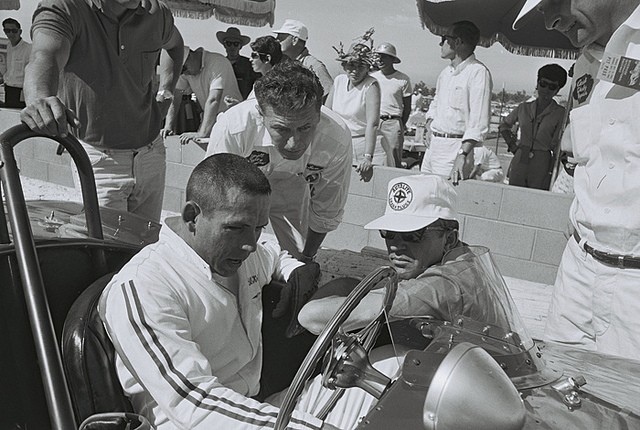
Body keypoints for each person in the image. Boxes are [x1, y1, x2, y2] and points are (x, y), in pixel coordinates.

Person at [99, 153, 402, 430]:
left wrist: (296, 269)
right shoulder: (145, 286)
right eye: (237, 228)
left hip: (254, 409)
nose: (250, 243)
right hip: (198, 422)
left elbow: (272, 251)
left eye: (258, 227)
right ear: (192, 217)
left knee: (394, 364)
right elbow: (195, 404)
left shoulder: (242, 254)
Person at [513, 0, 640, 360]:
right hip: (579, 271)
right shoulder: (586, 63)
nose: (551, 22)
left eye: (552, 3)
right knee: (559, 399)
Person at [20, 0, 184, 223]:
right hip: (99, 160)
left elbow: (175, 45)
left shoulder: (156, 12)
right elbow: (44, 55)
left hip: (151, 152)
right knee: (106, 251)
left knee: (146, 248)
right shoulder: (67, 7)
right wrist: (40, 97)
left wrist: (166, 91)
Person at [299, 174, 508, 338]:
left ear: (449, 239)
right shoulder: (465, 258)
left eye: (412, 235)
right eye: (388, 233)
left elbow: (310, 317)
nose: (396, 246)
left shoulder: (443, 286)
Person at [206, 61, 352, 262]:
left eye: (305, 128)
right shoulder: (233, 126)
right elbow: (214, 197)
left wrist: (307, 258)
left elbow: (327, 208)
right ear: (261, 114)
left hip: (296, 191)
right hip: (240, 191)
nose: (294, 144)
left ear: (319, 114)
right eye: (282, 129)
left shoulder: (337, 137)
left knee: (297, 264)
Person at [419, 21, 492, 185]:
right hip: (433, 147)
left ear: (457, 42)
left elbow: (478, 121)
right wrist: (429, 124)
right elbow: (436, 103)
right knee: (423, 195)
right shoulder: (446, 73)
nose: (441, 43)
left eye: (444, 38)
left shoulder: (478, 73)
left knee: (444, 200)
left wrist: (462, 155)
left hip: (454, 150)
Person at [326, 36, 387, 182]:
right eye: (351, 65)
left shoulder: (371, 85)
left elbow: (372, 124)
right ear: (344, 65)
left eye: (361, 66)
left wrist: (368, 157)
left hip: (365, 147)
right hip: (340, 145)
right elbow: (327, 113)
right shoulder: (339, 81)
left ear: (368, 68)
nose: (355, 70)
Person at [499, 64, 567, 190]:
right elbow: (504, 126)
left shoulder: (560, 113)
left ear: (557, 90)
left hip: (542, 161)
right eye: (543, 84)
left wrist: (552, 169)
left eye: (552, 87)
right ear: (537, 83)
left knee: (535, 199)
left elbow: (557, 144)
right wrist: (512, 144)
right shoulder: (523, 108)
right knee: (513, 195)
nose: (546, 89)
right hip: (520, 157)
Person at [160, 46, 241, 145]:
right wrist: (168, 126)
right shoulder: (185, 71)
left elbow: (214, 99)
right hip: (210, 121)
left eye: (184, 69)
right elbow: (175, 97)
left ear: (191, 56)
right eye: (180, 72)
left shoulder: (218, 62)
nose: (184, 73)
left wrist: (202, 133)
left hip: (231, 122)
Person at [371, 43, 412, 167]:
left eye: (385, 57)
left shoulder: (403, 79)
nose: (381, 60)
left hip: (392, 123)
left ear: (393, 59)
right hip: (374, 121)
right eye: (379, 56)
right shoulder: (372, 77)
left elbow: (407, 107)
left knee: (393, 159)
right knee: (372, 156)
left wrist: (399, 124)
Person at [273, 19, 333, 101]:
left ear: (294, 40)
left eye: (281, 37)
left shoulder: (314, 66)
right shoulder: (281, 63)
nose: (277, 40)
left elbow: (330, 94)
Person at [217, 26, 257, 100]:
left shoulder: (250, 65)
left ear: (240, 46)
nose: (232, 47)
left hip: (243, 105)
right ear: (224, 45)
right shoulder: (219, 64)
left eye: (236, 44)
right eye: (229, 43)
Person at [1, 18, 31, 108]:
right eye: (7, 30)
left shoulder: (28, 49)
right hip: (8, 90)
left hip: (21, 92)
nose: (10, 34)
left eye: (14, 31)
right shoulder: (8, 46)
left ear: (20, 31)